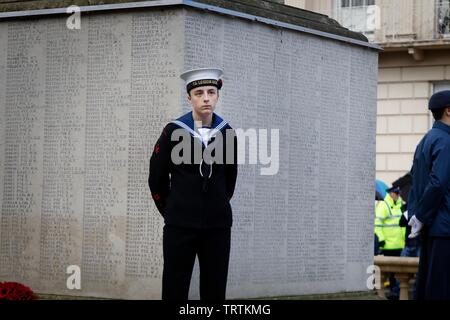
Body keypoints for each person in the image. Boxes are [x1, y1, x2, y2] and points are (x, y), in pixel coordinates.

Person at [148, 68, 238, 301]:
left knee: (215, 288)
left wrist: (215, 205)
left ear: (218, 96)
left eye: (211, 91)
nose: (206, 97)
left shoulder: (226, 132)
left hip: (217, 226)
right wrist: (172, 210)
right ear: (189, 98)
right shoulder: (173, 130)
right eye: (199, 93)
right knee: (175, 287)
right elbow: (156, 177)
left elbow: (230, 179)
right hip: (181, 224)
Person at [408, 90, 450, 300]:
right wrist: (422, 216)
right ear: (448, 111)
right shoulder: (446, 140)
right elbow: (437, 183)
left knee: (427, 288)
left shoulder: (425, 140)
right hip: (444, 228)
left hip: (431, 227)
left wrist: (417, 217)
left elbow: (414, 182)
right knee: (440, 290)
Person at [374, 186, 406, 299]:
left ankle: (395, 292)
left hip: (399, 244)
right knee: (390, 271)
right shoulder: (384, 204)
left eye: (399, 192)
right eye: (396, 193)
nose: (398, 194)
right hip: (388, 245)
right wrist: (381, 240)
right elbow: (377, 224)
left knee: (397, 271)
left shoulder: (400, 205)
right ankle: (393, 291)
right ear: (391, 193)